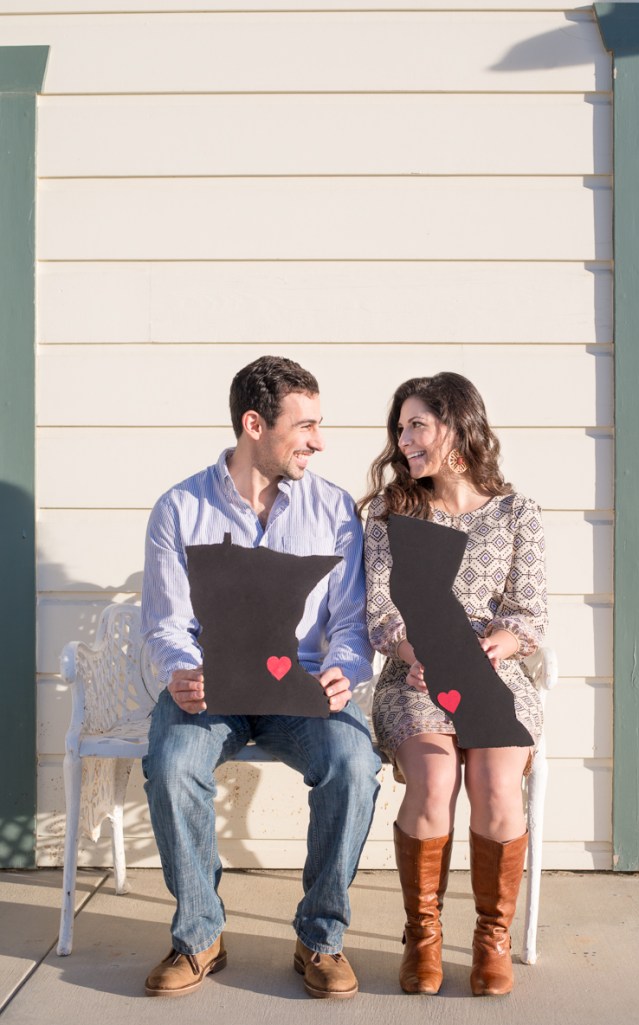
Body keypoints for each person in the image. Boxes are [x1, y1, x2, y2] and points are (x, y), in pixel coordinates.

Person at [141, 355, 380, 1000]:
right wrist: (179, 671)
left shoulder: (333, 509)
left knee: (354, 763)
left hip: (301, 686)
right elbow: (165, 623)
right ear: (255, 425)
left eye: (318, 425)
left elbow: (350, 620)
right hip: (210, 688)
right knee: (172, 764)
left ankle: (321, 938)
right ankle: (199, 937)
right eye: (305, 426)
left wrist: (345, 668)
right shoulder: (179, 508)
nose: (319, 442)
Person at [360, 372, 547, 998]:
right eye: (400, 427)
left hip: (494, 674)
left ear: (457, 427)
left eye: (417, 425)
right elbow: (380, 612)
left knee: (496, 783)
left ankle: (493, 940)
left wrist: (499, 644)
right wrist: (415, 651)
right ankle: (423, 937)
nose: (403, 439)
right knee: (436, 778)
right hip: (415, 675)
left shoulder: (517, 513)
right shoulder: (391, 512)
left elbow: (529, 613)